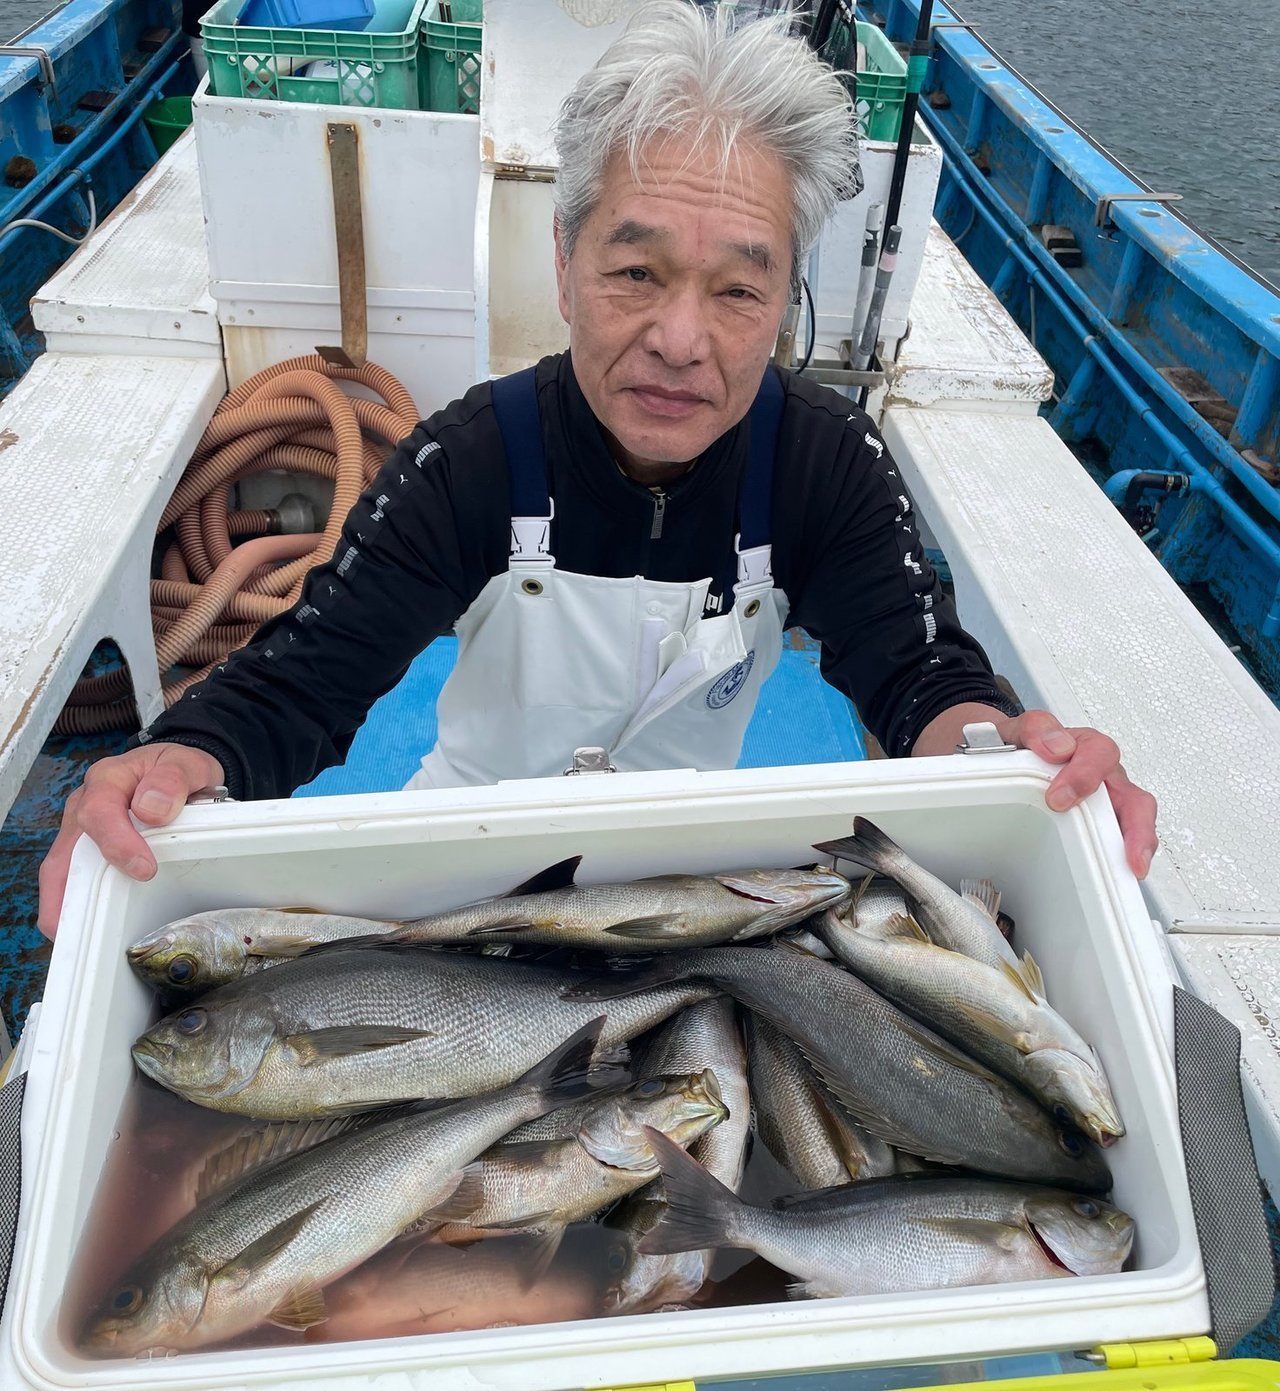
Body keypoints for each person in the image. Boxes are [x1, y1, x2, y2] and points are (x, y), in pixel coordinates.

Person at [37, 1, 1157, 936]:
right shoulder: (468, 462)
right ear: (565, 265)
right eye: (635, 273)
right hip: (463, 867)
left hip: (693, 885)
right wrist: (177, 758)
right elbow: (300, 682)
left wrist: (1004, 759)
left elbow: (918, 675)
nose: (681, 339)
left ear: (783, 303)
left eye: (738, 290)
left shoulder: (822, 462)